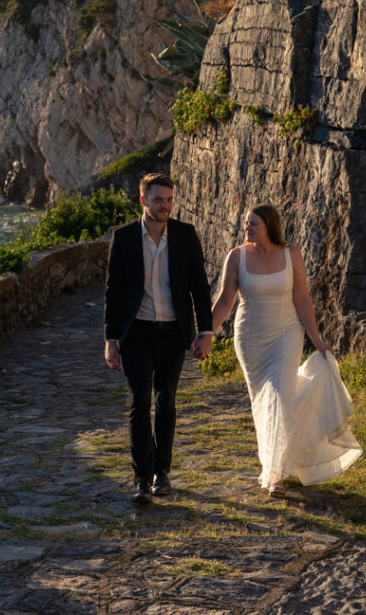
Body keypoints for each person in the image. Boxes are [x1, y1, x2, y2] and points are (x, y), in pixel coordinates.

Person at [212, 204, 361, 498]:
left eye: (253, 223)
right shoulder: (237, 257)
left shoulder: (291, 254)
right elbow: (225, 301)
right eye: (245, 223)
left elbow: (302, 298)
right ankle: (272, 466)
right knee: (263, 402)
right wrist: (205, 334)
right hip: (250, 338)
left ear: (269, 225)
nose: (247, 227)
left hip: (286, 334)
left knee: (279, 397)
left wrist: (316, 340)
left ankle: (275, 475)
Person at [104, 172, 213, 506]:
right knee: (140, 403)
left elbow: (199, 286)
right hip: (136, 331)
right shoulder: (123, 238)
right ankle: (140, 478)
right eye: (157, 200)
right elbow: (114, 291)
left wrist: (205, 332)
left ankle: (160, 474)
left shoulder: (184, 235)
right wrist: (111, 339)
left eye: (168, 200)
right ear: (143, 201)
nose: (164, 206)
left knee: (167, 400)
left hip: (173, 333)